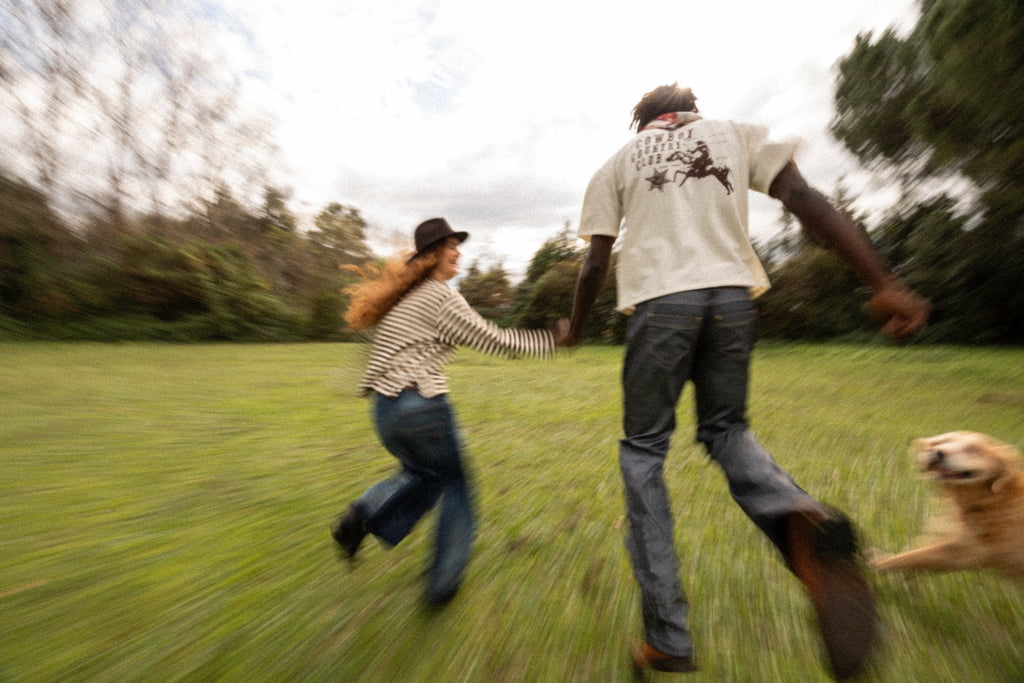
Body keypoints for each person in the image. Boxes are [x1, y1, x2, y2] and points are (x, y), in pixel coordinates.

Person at [563, 84, 931, 679]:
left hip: (660, 308)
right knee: (727, 430)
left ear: (643, 121)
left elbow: (594, 263)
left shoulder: (616, 163)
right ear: (691, 110)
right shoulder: (736, 134)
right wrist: (882, 280)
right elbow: (804, 199)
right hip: (733, 300)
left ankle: (667, 639)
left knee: (643, 454)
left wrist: (573, 327)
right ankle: (800, 519)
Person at [332, 217, 566, 606]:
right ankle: (443, 584)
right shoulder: (440, 297)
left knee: (424, 476)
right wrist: (553, 340)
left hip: (385, 412)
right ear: (433, 256)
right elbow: (492, 339)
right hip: (420, 407)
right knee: (455, 483)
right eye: (451, 246)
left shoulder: (404, 298)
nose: (458, 251)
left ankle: (363, 514)